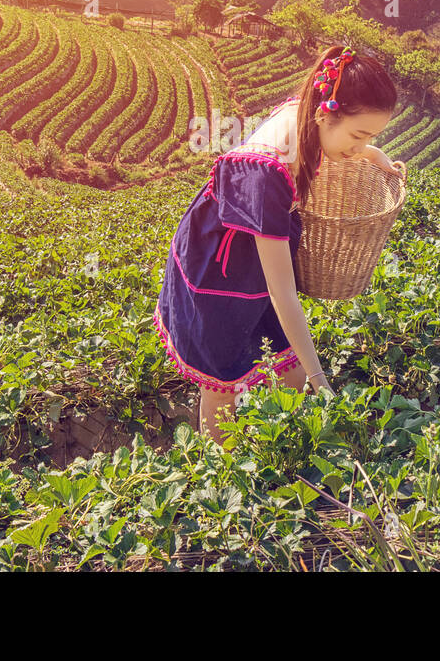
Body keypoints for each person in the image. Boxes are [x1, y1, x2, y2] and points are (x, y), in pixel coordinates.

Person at [152, 45, 404, 445]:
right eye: (358, 135)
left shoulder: (309, 111)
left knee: (293, 374)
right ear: (326, 114)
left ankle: (279, 450)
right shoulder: (266, 174)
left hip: (253, 252)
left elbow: (341, 140)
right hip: (216, 273)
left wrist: (376, 156)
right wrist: (323, 381)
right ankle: (216, 470)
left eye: (370, 136)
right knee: (223, 386)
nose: (360, 146)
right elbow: (283, 293)